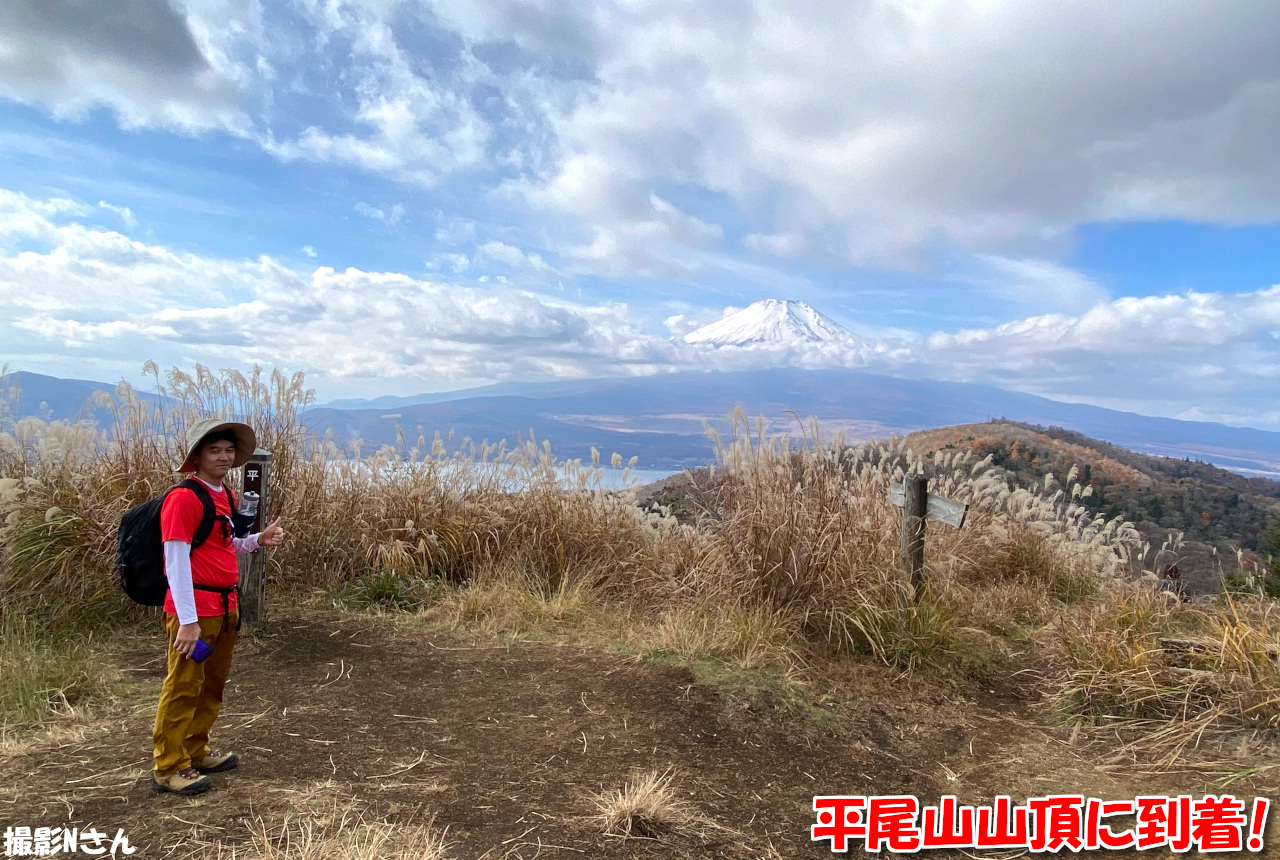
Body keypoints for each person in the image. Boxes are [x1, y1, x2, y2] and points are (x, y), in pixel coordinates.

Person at [151, 419, 285, 796]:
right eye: (215, 451)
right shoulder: (183, 499)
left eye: (229, 450)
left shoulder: (223, 494)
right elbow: (174, 561)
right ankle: (168, 766)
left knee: (211, 684)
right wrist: (188, 622)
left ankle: (195, 750)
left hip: (225, 608)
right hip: (195, 610)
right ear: (196, 456)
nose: (225, 457)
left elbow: (226, 545)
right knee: (183, 685)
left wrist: (258, 539)